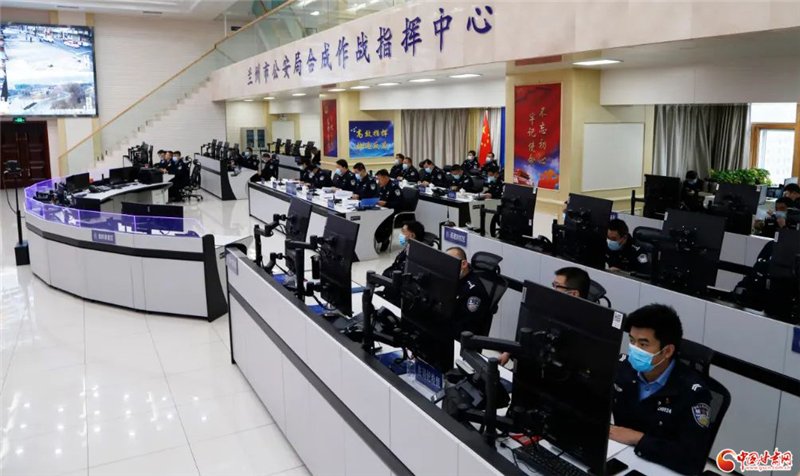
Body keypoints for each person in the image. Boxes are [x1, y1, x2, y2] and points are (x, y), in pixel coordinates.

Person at [611, 304, 712, 476]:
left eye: (643, 344)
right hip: (623, 457)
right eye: (632, 341)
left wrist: (637, 438)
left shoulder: (693, 393)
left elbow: (692, 460)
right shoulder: (623, 368)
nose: (634, 349)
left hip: (660, 468)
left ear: (667, 351)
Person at [498, 267, 590, 365]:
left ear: (574, 294)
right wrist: (508, 352)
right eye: (553, 285)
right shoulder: (549, 310)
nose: (553, 290)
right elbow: (533, 332)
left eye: (557, 286)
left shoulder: (586, 327)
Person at [446, 246, 492, 337]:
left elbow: (466, 326)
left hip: (463, 338)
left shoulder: (474, 291)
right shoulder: (455, 280)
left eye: (450, 263)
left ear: (463, 264)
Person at [381, 221, 425, 303]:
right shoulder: (407, 248)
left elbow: (402, 273)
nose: (401, 234)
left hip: (399, 291)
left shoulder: (415, 254)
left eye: (404, 232)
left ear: (412, 235)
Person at [375, 169, 403, 250]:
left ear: (385, 177)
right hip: (383, 210)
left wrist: (386, 203)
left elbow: (399, 203)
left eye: (379, 179)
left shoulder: (394, 187)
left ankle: (384, 240)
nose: (378, 182)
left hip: (394, 212)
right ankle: (381, 239)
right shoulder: (382, 187)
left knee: (379, 222)